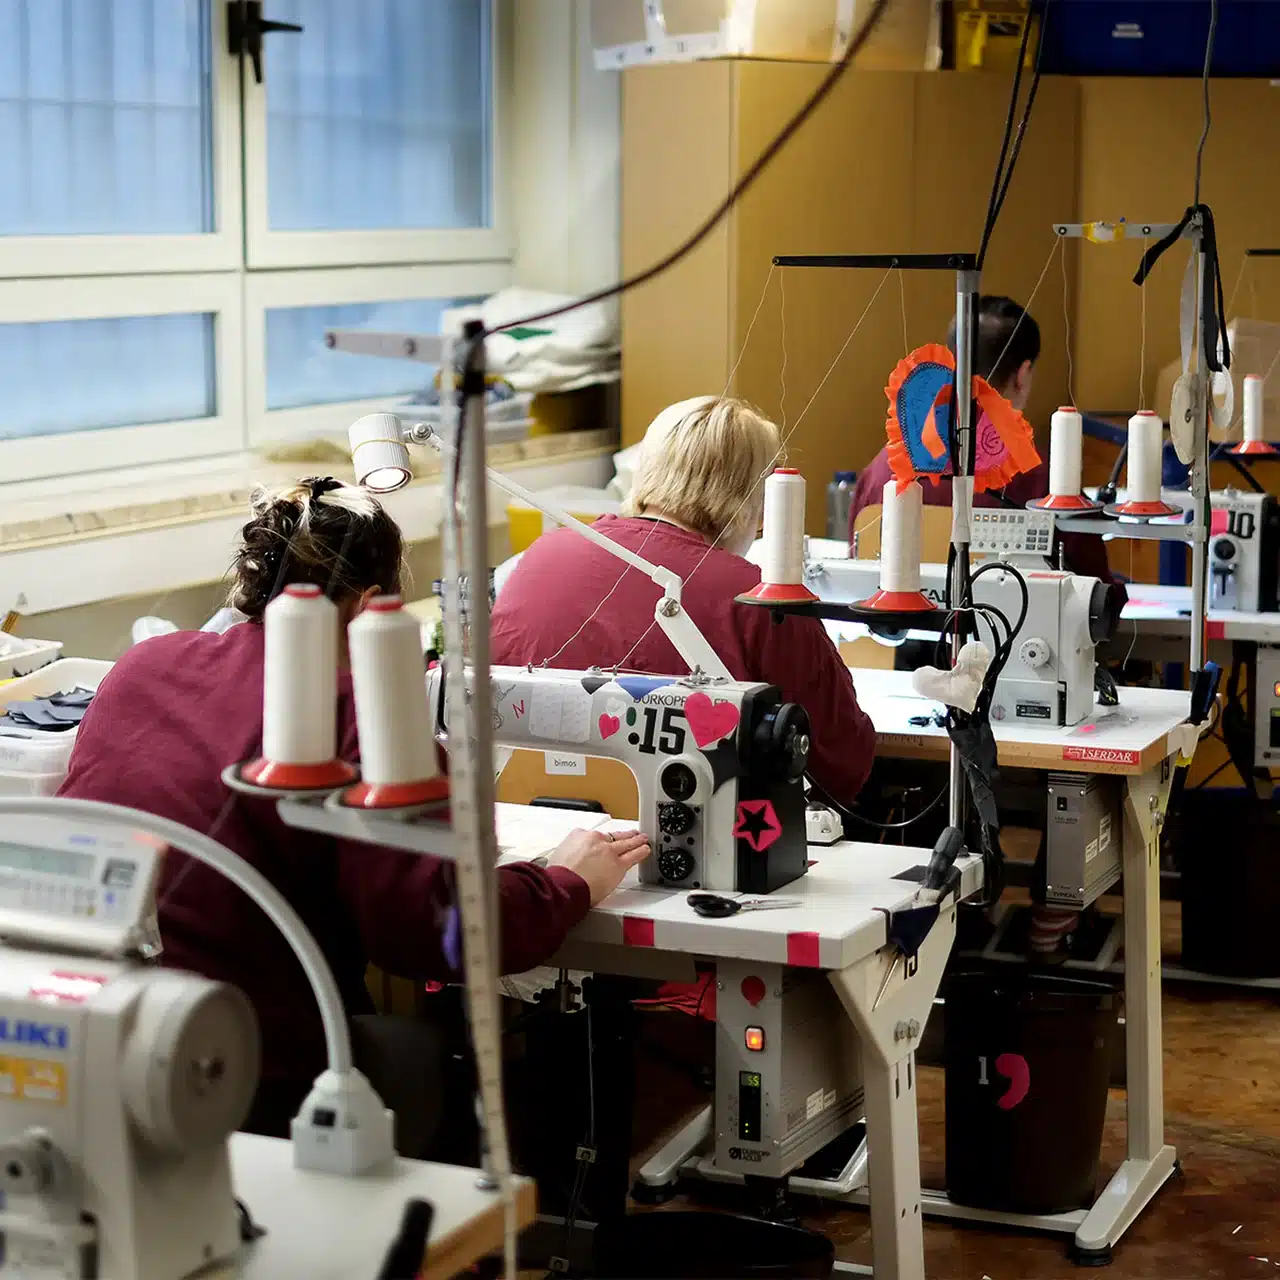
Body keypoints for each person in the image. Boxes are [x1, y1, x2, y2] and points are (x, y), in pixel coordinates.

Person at [58, 478, 650, 1137]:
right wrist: (564, 880)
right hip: (236, 1062)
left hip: (82, 1033)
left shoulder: (143, 665)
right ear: (370, 607)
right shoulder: (361, 715)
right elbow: (439, 933)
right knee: (436, 1065)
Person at [490, 397, 877, 807]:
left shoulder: (540, 558)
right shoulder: (760, 601)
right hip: (701, 850)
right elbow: (843, 767)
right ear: (757, 502)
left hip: (535, 842)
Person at [847, 296, 1122, 590]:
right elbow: (1096, 598)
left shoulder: (883, 469)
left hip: (893, 634)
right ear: (1022, 374)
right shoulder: (1044, 483)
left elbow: (857, 574)